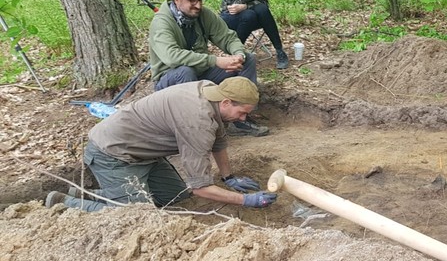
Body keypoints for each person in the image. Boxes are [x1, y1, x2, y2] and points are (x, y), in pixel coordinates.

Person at [44, 77, 277, 212]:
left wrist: (228, 177)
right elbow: (200, 187)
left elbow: (219, 141)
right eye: (243, 112)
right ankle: (64, 202)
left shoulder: (209, 90)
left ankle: (92, 193)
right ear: (226, 102)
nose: (244, 118)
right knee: (138, 215)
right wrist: (246, 200)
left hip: (144, 154)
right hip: (114, 154)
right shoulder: (197, 121)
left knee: (176, 198)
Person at [149, 0, 267, 136]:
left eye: (200, 0)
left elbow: (227, 37)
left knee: (248, 58)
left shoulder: (203, 15)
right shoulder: (161, 22)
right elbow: (172, 57)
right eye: (192, 1)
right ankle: (195, 128)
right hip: (170, 81)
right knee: (185, 72)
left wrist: (238, 54)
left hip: (201, 73)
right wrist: (216, 61)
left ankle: (239, 118)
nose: (198, 5)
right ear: (177, 0)